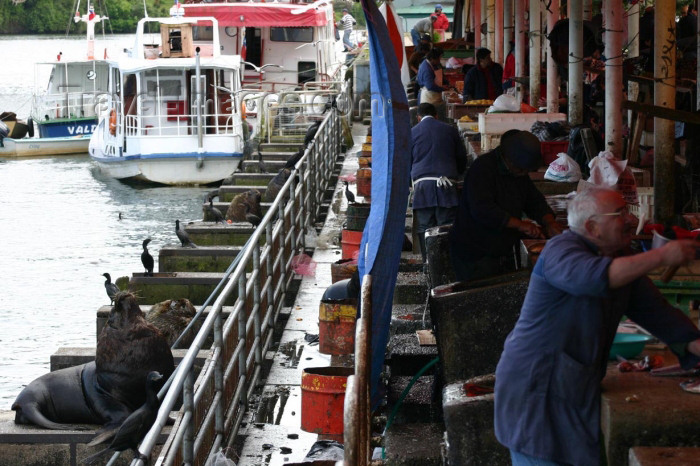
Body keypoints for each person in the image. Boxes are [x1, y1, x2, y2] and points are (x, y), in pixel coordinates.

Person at [494, 186, 700, 466]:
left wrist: (695, 345)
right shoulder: (560, 251)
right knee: (544, 453)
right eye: (620, 214)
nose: (630, 219)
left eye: (628, 211)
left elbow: (659, 315)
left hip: (574, 384)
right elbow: (592, 278)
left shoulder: (618, 255)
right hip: (536, 388)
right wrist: (661, 256)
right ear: (592, 227)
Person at [448, 130, 564, 281]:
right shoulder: (482, 169)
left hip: (502, 250)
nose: (524, 172)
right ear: (508, 159)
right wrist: (520, 225)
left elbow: (534, 200)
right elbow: (483, 210)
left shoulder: (519, 174)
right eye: (521, 169)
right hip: (475, 252)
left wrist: (549, 222)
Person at [411, 102, 467, 261]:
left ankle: (427, 263)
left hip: (422, 187)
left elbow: (407, 162)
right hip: (447, 186)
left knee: (424, 227)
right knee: (446, 226)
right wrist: (457, 174)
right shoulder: (450, 130)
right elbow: (461, 158)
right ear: (436, 115)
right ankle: (446, 263)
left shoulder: (412, 133)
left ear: (418, 118)